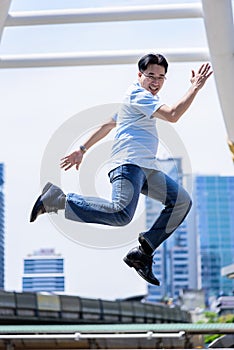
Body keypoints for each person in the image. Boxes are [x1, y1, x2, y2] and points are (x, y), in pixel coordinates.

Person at [30, 53, 212, 285]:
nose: (156, 82)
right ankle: (58, 200)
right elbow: (173, 115)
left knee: (181, 201)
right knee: (121, 214)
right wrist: (195, 88)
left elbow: (109, 124)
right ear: (139, 75)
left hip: (146, 169)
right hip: (128, 165)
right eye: (151, 76)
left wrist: (82, 149)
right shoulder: (139, 95)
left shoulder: (135, 100)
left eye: (161, 77)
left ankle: (143, 252)